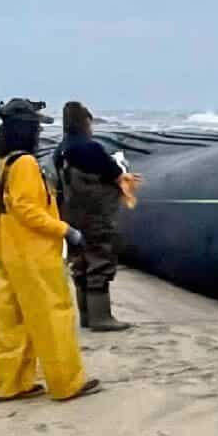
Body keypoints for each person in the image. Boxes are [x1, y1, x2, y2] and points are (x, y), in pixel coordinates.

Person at [0, 98, 99, 402]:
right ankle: (66, 383)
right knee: (52, 315)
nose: (39, 133)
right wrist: (66, 231)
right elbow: (28, 210)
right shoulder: (24, 163)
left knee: (12, 318)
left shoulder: (3, 160)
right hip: (30, 250)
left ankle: (11, 383)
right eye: (35, 127)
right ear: (26, 130)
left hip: (2, 242)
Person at [54, 100, 130, 331]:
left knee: (80, 262)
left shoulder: (61, 151)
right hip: (96, 214)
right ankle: (101, 317)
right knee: (100, 259)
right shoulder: (90, 149)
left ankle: (86, 316)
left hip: (71, 215)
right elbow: (114, 172)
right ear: (84, 122)